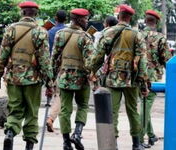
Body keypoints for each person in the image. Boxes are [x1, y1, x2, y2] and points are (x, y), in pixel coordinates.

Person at [87, 4, 149, 150]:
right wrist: (143, 83)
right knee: (133, 110)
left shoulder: (108, 32)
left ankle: (111, 143)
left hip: (112, 78)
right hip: (131, 80)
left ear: (118, 16)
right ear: (130, 18)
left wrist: (92, 71)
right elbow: (143, 61)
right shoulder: (137, 34)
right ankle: (136, 143)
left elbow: (98, 56)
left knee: (112, 111)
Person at [0, 1, 53, 150]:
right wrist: (49, 81)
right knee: (32, 112)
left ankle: (10, 134)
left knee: (14, 109)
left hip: (13, 77)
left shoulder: (11, 30)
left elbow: (2, 55)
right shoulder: (40, 32)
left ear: (22, 12)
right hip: (33, 79)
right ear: (35, 14)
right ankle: (29, 145)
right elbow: (44, 60)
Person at [52, 8, 94, 150]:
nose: (87, 21)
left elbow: (54, 58)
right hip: (81, 79)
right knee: (82, 105)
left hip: (64, 77)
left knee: (65, 109)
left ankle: (66, 142)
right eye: (85, 19)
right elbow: (90, 62)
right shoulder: (85, 37)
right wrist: (95, 79)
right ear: (79, 19)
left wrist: (52, 78)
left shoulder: (60, 34)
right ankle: (77, 133)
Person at [139, 10, 172, 148]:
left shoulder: (137, 35)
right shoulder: (160, 38)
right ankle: (139, 139)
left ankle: (151, 135)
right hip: (151, 77)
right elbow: (167, 60)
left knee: (145, 105)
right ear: (156, 22)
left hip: (136, 76)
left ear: (145, 21)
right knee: (145, 107)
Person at [45, 9, 67, 133]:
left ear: (55, 18)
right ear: (66, 19)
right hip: (63, 67)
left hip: (50, 66)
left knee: (53, 92)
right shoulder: (67, 32)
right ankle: (51, 118)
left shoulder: (49, 32)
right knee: (59, 95)